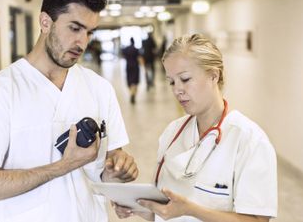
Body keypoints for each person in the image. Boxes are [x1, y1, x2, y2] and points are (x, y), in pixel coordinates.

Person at [0, 0, 138, 222]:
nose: (82, 43)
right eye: (75, 28)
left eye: (89, 32)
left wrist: (119, 172)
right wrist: (63, 166)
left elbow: (107, 167)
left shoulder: (99, 88)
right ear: (45, 22)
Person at [114, 34, 277, 221]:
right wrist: (139, 208)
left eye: (185, 79)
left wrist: (191, 210)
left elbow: (258, 220)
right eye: (172, 81)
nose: (177, 90)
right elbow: (165, 210)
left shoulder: (249, 140)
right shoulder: (172, 132)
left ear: (214, 75)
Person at [122, 37, 141, 104]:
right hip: (135, 66)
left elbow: (123, 55)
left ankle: (131, 92)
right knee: (135, 82)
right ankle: (133, 94)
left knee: (130, 81)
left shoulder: (126, 49)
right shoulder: (136, 49)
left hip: (128, 66)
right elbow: (139, 58)